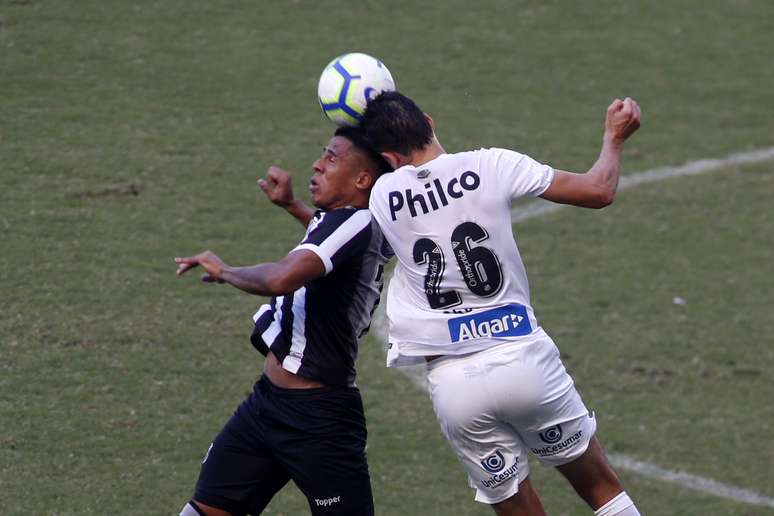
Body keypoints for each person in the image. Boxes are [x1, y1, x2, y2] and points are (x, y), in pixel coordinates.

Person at [359, 91, 642, 516]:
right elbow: (598, 190)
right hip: (524, 362)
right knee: (603, 490)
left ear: (389, 157)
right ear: (429, 120)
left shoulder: (383, 196)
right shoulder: (491, 164)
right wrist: (613, 138)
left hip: (455, 386)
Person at [174, 125, 392, 516]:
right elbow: (327, 242)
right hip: (267, 406)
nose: (317, 164)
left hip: (319, 419)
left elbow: (280, 279)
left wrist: (225, 271)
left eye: (331, 158)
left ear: (362, 179)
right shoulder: (343, 222)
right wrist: (292, 205)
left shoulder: (356, 222)